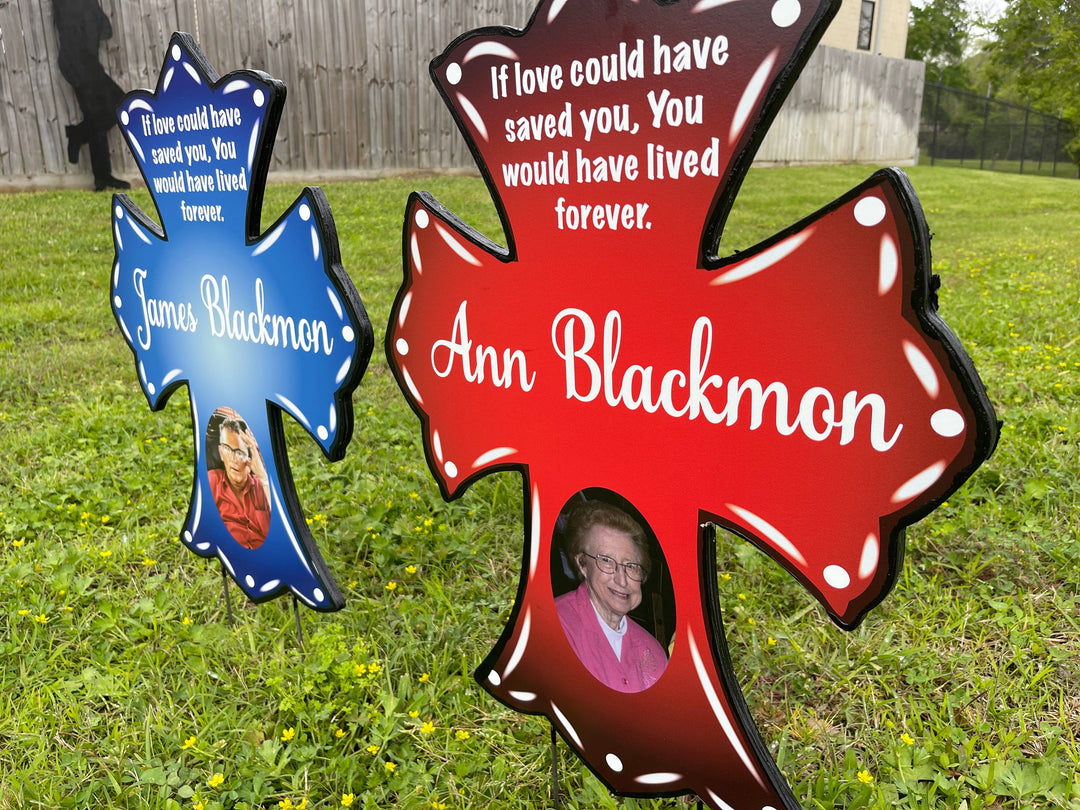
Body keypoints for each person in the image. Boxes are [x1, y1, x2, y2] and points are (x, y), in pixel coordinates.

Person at [555, 500, 667, 693]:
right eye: (606, 561)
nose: (622, 580)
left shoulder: (654, 651)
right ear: (582, 565)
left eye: (631, 566)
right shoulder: (554, 625)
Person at [52, 0, 130, 191]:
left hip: (83, 62)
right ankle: (78, 136)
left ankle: (102, 177)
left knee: (97, 117)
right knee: (119, 105)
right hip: (79, 63)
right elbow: (81, 29)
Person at [208, 417, 271, 549]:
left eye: (239, 452)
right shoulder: (212, 481)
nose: (233, 459)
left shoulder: (263, 487)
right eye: (227, 449)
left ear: (250, 459)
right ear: (220, 452)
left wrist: (263, 478)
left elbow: (282, 526)